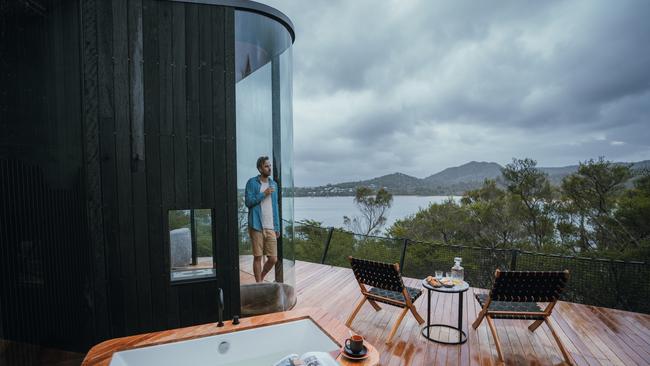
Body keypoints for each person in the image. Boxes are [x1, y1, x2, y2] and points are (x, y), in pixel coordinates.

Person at [245, 156, 280, 282]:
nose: (269, 168)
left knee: (273, 259)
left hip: (270, 226)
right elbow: (248, 202)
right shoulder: (251, 183)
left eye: (270, 165)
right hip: (256, 225)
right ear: (260, 168)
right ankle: (259, 284)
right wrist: (264, 194)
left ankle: (261, 277)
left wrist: (277, 226)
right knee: (258, 257)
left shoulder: (273, 184)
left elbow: (275, 207)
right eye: (266, 166)